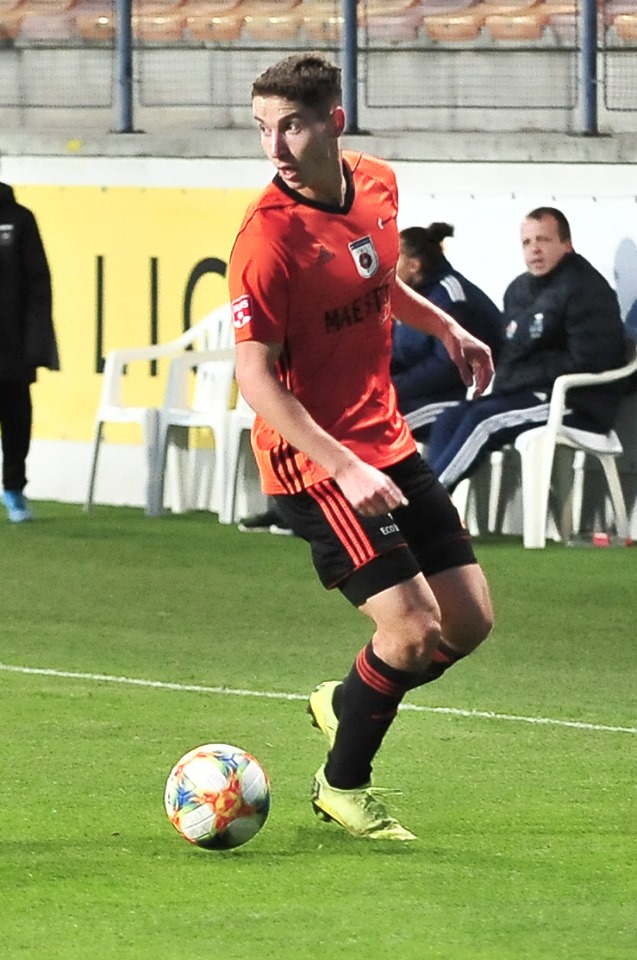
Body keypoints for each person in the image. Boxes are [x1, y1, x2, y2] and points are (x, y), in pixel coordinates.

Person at [228, 52, 495, 842]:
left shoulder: (376, 182)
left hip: (384, 441)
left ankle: (348, 700)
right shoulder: (267, 238)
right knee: (409, 630)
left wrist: (443, 326)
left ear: (333, 122)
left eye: (291, 126)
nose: (275, 146)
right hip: (312, 463)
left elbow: (377, 281)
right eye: (262, 129)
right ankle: (342, 786)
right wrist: (343, 465)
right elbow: (254, 376)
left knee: (468, 624)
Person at [427, 206, 628, 491]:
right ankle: (430, 498)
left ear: (567, 244)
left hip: (574, 403)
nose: (534, 249)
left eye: (543, 240)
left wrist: (521, 377)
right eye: (527, 242)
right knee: (450, 418)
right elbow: (510, 351)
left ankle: (428, 502)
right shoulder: (518, 289)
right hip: (523, 394)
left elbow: (591, 360)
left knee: (482, 421)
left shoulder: (586, 289)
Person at [391, 223, 504, 442]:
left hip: (453, 400)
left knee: (379, 428)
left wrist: (393, 387)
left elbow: (447, 367)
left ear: (414, 265)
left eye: (394, 258)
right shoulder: (409, 298)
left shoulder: (451, 296)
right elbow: (396, 354)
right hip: (418, 395)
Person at [0, 182, 59, 523]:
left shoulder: (19, 220)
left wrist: (36, 345)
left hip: (11, 345)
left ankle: (13, 489)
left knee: (15, 418)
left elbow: (39, 286)